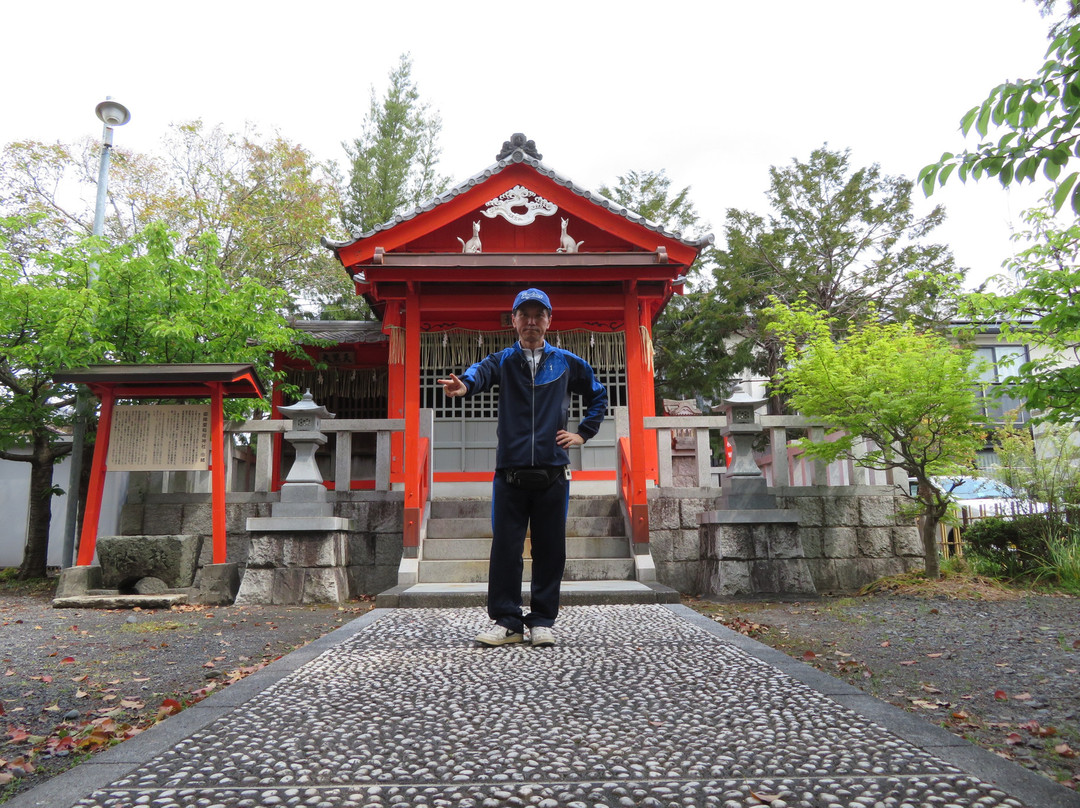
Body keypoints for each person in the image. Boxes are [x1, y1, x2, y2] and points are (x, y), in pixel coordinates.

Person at [437, 288, 608, 647]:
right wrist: (463, 386)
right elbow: (476, 375)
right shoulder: (502, 360)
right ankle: (508, 621)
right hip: (510, 475)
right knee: (506, 549)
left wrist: (583, 433)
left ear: (549, 320)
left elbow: (598, 394)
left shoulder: (566, 362)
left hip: (553, 474)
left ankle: (543, 620)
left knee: (550, 549)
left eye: (539, 315)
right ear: (513, 320)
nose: (531, 322)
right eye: (524, 315)